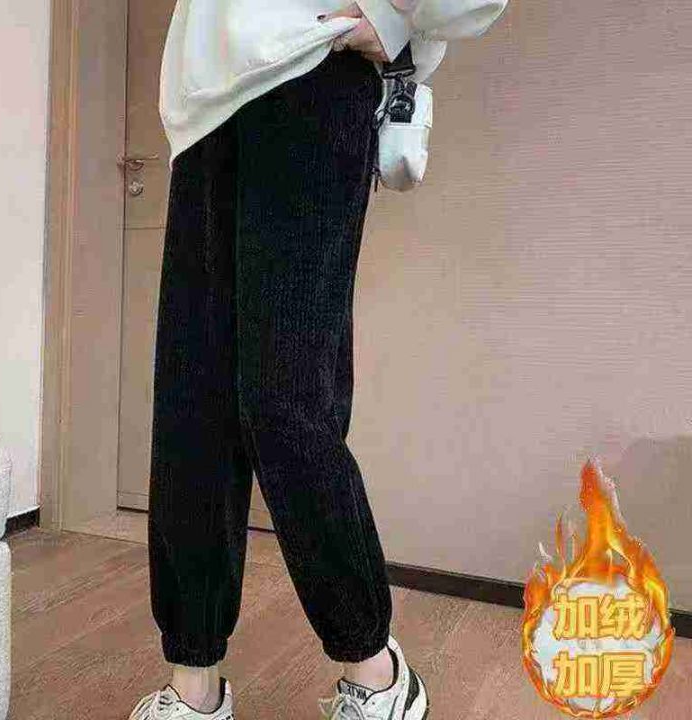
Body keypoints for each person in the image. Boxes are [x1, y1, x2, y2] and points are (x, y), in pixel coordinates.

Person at [127, 2, 508, 719]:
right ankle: (194, 682)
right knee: (192, 409)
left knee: (285, 400)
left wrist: (392, 19)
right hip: (206, 109)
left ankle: (377, 673)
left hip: (310, 75)